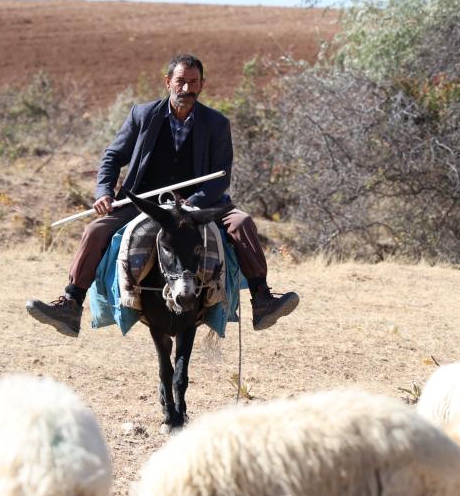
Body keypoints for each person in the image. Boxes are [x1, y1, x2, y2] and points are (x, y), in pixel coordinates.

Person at [26, 53, 300, 337]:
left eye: (193, 82)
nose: (186, 88)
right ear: (168, 82)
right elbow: (111, 156)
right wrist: (104, 191)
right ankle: (71, 305)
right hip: (145, 202)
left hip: (200, 202)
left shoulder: (217, 124)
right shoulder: (142, 115)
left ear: (202, 85)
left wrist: (192, 205)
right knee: (95, 230)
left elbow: (221, 177)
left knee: (241, 223)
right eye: (180, 81)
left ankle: (263, 301)